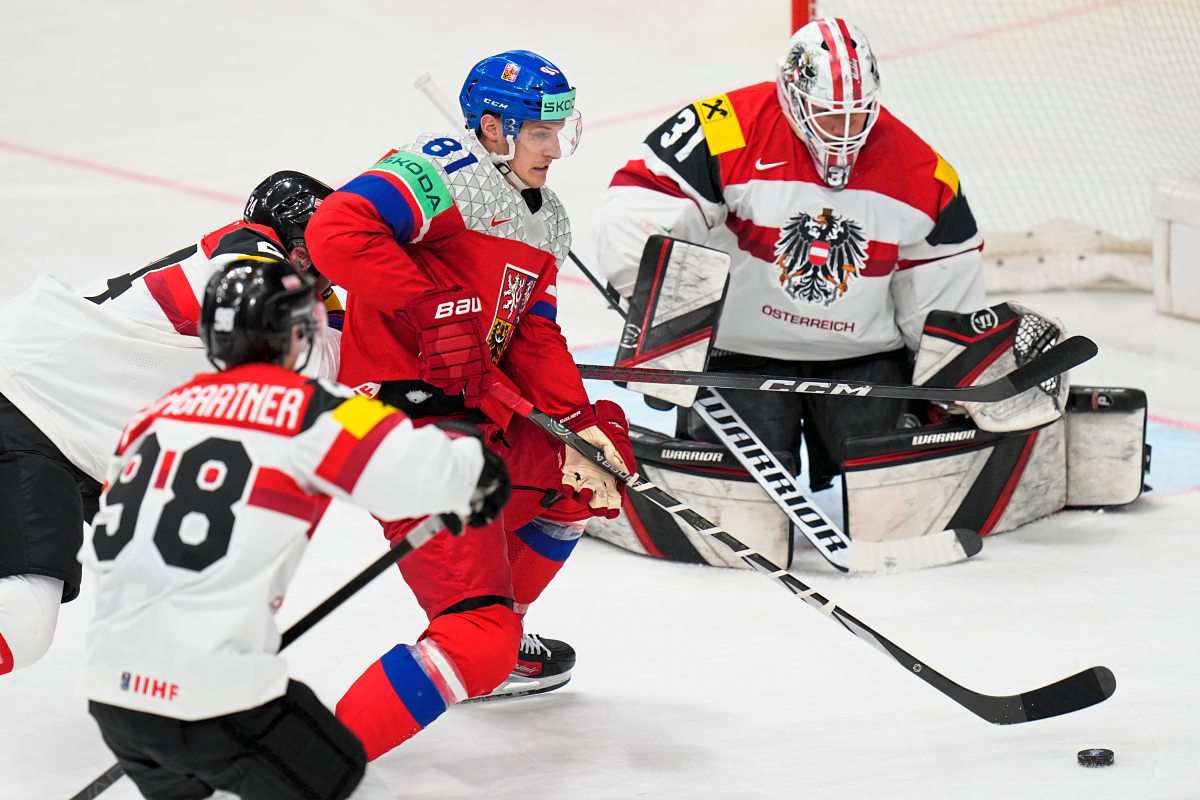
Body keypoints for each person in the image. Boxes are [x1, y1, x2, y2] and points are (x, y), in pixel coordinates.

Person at [304, 49, 635, 759]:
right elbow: (334, 230)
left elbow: (533, 329)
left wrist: (578, 422)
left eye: (559, 130)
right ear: (492, 128)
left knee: (581, 481)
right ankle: (315, 761)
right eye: (539, 132)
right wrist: (432, 307)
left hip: (469, 410)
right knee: (471, 638)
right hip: (389, 414)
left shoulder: (547, 221)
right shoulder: (436, 168)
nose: (554, 148)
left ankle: (501, 636)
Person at [81, 256, 510, 800]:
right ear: (296, 336)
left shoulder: (153, 414)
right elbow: (421, 468)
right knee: (338, 775)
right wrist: (471, 462)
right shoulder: (314, 406)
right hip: (213, 693)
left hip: (111, 691)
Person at [593, 18, 987, 491]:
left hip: (862, 359)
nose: (844, 131)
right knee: (736, 493)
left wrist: (956, 381)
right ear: (793, 95)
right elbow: (638, 209)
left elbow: (944, 284)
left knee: (897, 486)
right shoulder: (724, 127)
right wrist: (663, 328)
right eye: (827, 114)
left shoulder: (923, 171)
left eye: (857, 115)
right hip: (741, 356)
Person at [0, 171, 337, 677]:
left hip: (84, 429)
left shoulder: (263, 266)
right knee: (22, 620)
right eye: (319, 255)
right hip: (33, 403)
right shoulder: (251, 265)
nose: (327, 273)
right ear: (290, 244)